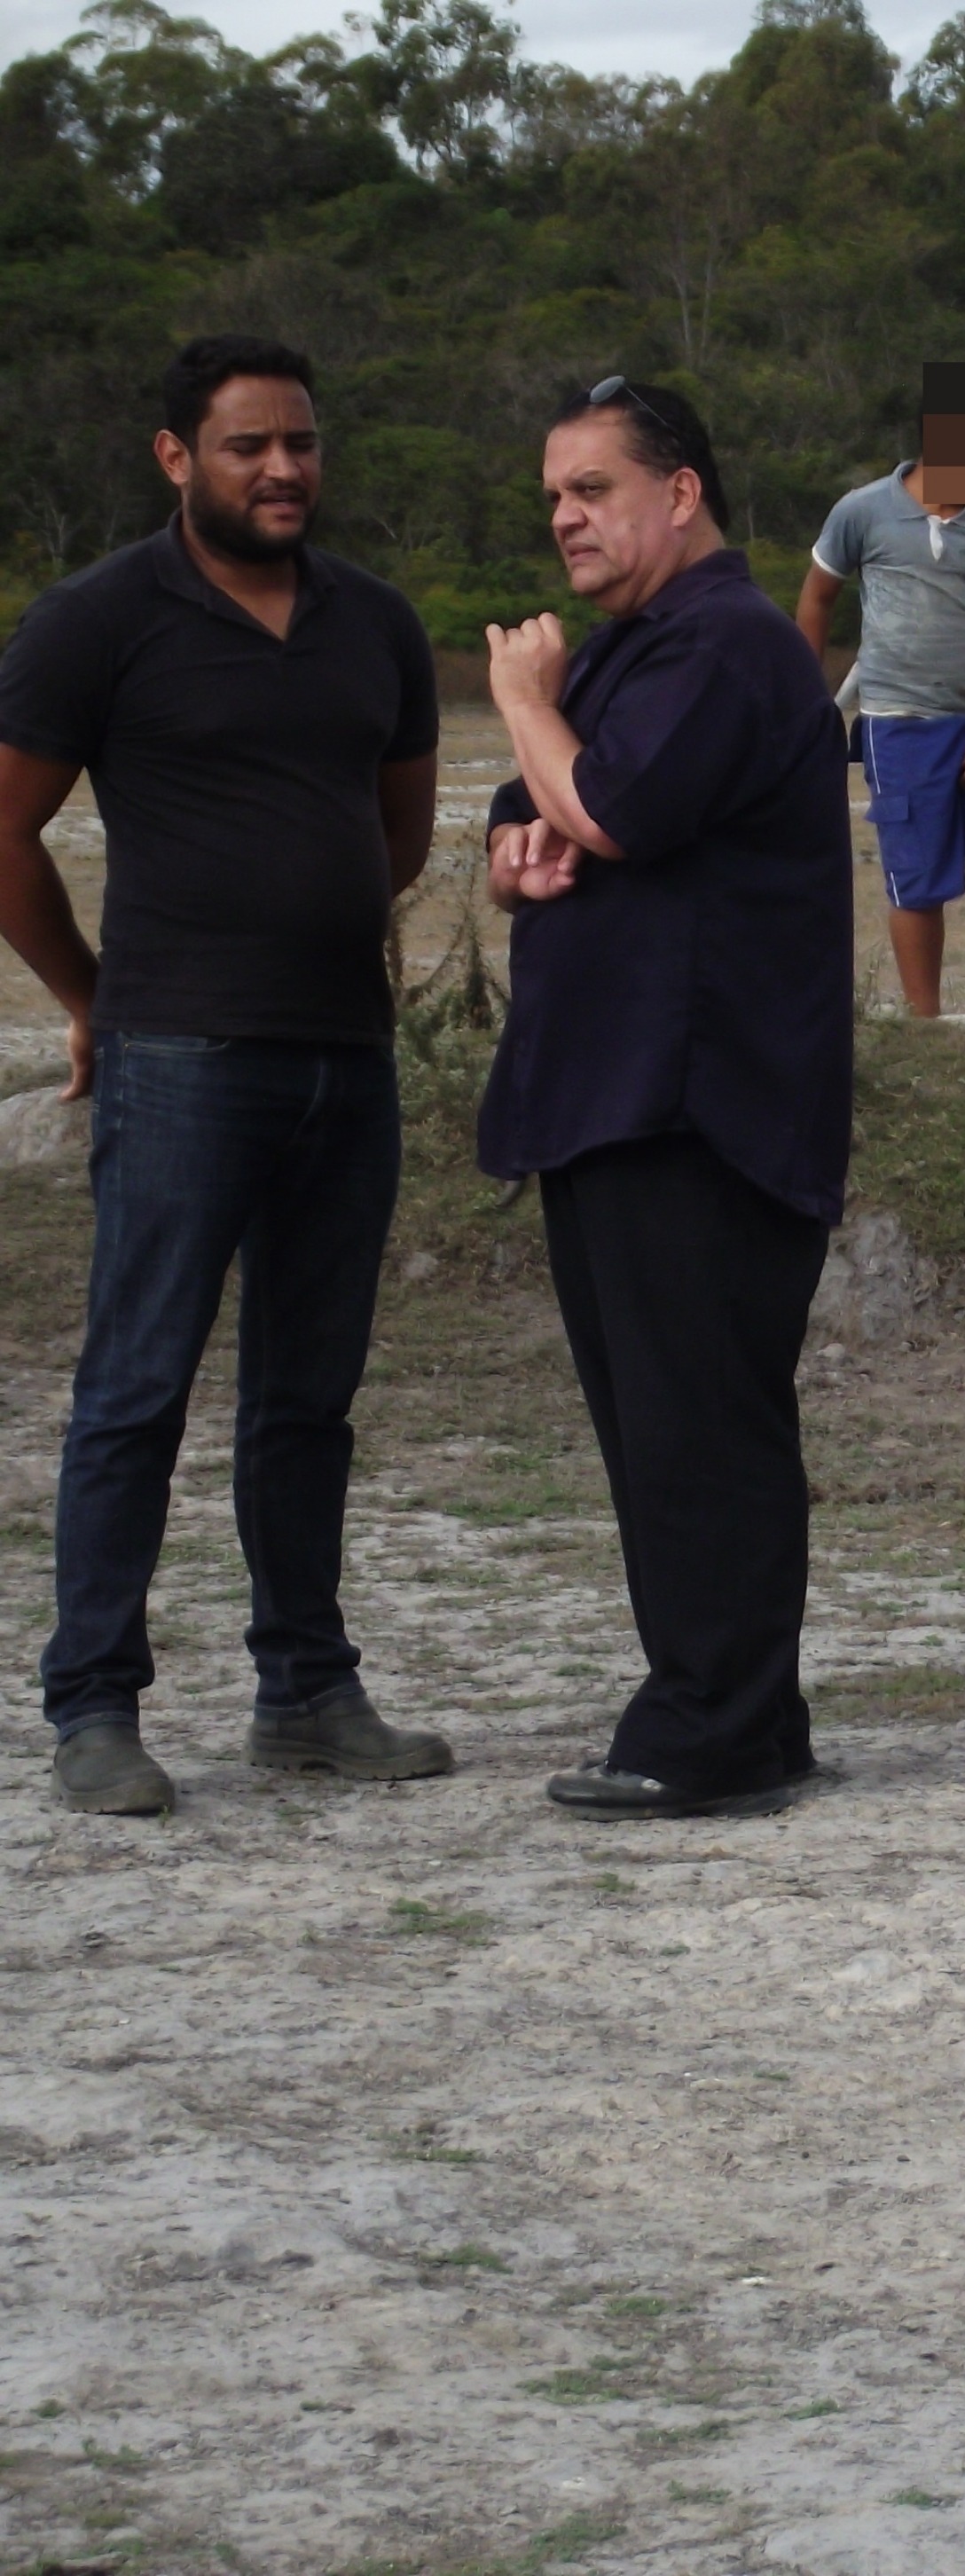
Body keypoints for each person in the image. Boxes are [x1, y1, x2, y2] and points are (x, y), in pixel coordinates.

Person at [0, 334, 452, 1817]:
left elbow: (397, 835)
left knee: (307, 1396)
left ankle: (307, 1688)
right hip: (179, 1055)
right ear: (175, 456)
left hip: (344, 1055)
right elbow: (7, 833)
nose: (282, 470)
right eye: (250, 444)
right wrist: (92, 997)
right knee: (136, 1386)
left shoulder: (373, 623)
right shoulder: (98, 621)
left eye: (301, 444)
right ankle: (94, 1705)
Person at [479, 378, 852, 1820]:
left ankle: (712, 1717)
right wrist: (521, 842)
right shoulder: (640, 650)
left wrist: (523, 702)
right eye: (555, 494)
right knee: (663, 1421)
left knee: (698, 1419)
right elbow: (556, 811)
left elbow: (620, 808)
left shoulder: (732, 644)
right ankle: (744, 1711)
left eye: (595, 487)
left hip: (698, 1101)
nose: (567, 515)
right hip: (611, 1090)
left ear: (680, 491)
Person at [793, 438, 965, 1020]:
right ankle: (927, 1021)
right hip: (900, 731)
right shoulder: (862, 512)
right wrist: (809, 702)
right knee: (917, 886)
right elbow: (817, 599)